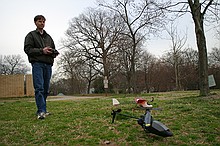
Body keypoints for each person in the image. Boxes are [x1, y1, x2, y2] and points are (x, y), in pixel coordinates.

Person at [24, 15, 59, 119]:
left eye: (43, 21)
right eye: (40, 21)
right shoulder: (31, 35)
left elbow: (53, 49)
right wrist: (41, 50)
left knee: (46, 89)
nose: (42, 23)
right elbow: (28, 50)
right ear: (35, 23)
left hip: (48, 65)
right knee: (39, 88)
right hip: (37, 64)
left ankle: (43, 109)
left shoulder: (48, 37)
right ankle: (41, 111)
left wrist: (54, 52)